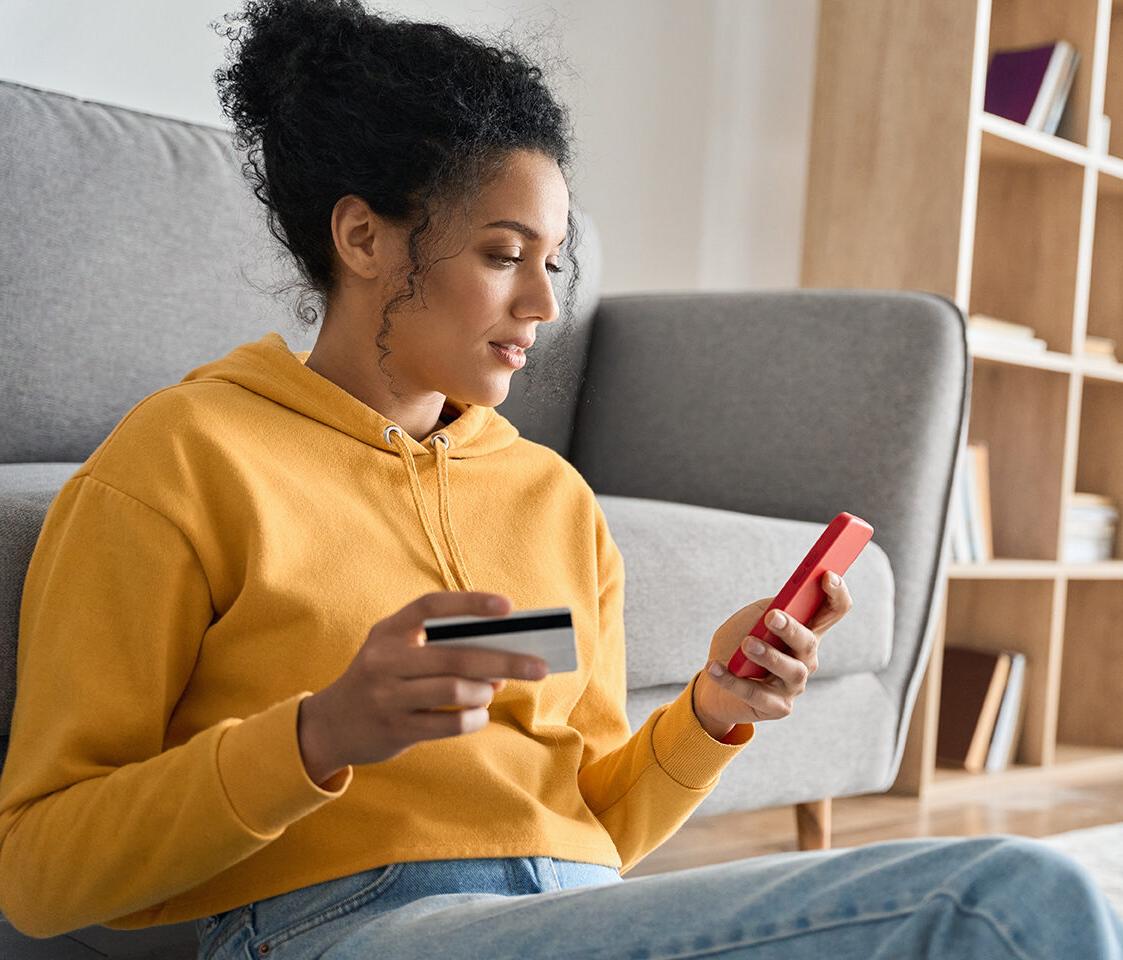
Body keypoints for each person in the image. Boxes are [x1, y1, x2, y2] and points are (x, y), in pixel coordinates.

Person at [1, 1, 1120, 958]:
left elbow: (590, 822)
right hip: (340, 926)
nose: (544, 306)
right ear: (361, 237)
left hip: (568, 912)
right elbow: (40, 872)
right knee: (1006, 906)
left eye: (554, 261)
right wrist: (317, 736)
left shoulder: (549, 499)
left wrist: (713, 713)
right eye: (501, 255)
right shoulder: (182, 461)